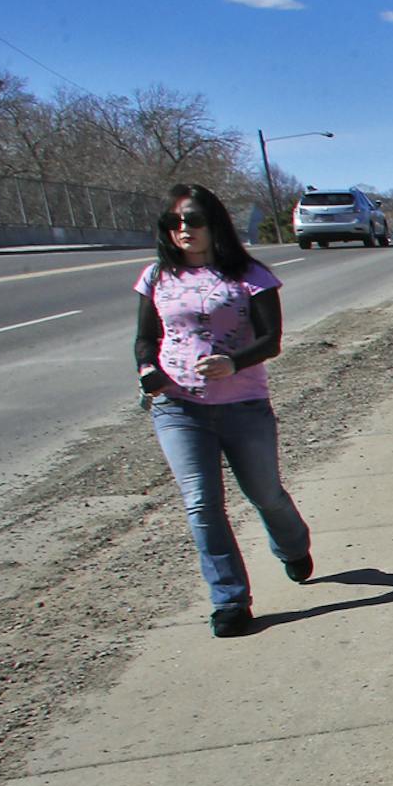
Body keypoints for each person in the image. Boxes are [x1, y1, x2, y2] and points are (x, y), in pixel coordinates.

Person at [133, 183, 313, 637]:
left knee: (265, 494)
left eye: (193, 220)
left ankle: (293, 546)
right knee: (202, 505)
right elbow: (144, 338)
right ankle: (230, 600)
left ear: (214, 224)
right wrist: (145, 369)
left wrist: (233, 362)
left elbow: (271, 340)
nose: (183, 230)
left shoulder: (250, 275)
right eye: (174, 223)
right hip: (178, 408)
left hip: (243, 405)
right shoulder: (157, 277)